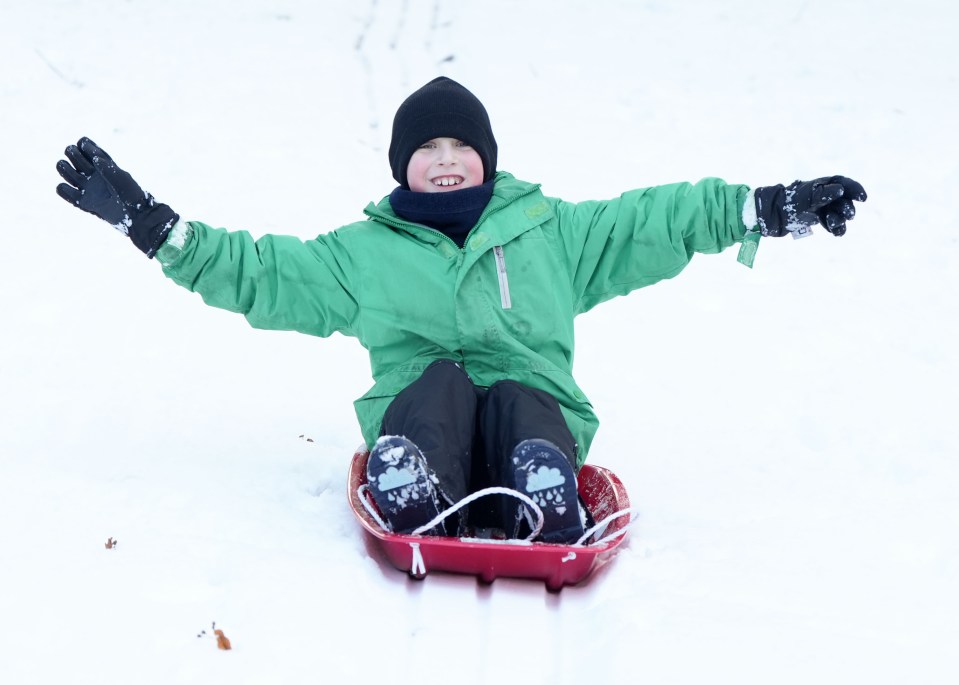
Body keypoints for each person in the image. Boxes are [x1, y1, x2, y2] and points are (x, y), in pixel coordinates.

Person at [55, 76, 867, 544]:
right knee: (436, 379)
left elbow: (657, 219)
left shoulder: (554, 234)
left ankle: (544, 490)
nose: (444, 162)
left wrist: (767, 206)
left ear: (485, 160)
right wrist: (159, 229)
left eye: (459, 149)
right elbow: (266, 274)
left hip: (534, 424)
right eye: (427, 152)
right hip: (422, 421)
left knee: (522, 395)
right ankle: (411, 482)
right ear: (404, 168)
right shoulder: (360, 254)